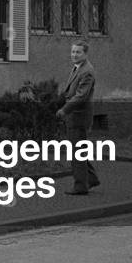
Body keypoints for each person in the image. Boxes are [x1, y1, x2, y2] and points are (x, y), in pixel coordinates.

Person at [55, 40, 100, 195]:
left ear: (85, 54)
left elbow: (81, 96)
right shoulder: (78, 68)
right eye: (73, 52)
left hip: (79, 117)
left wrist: (64, 110)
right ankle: (91, 178)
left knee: (76, 153)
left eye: (78, 52)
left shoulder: (87, 71)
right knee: (78, 150)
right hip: (74, 116)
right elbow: (71, 91)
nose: (74, 55)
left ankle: (80, 186)